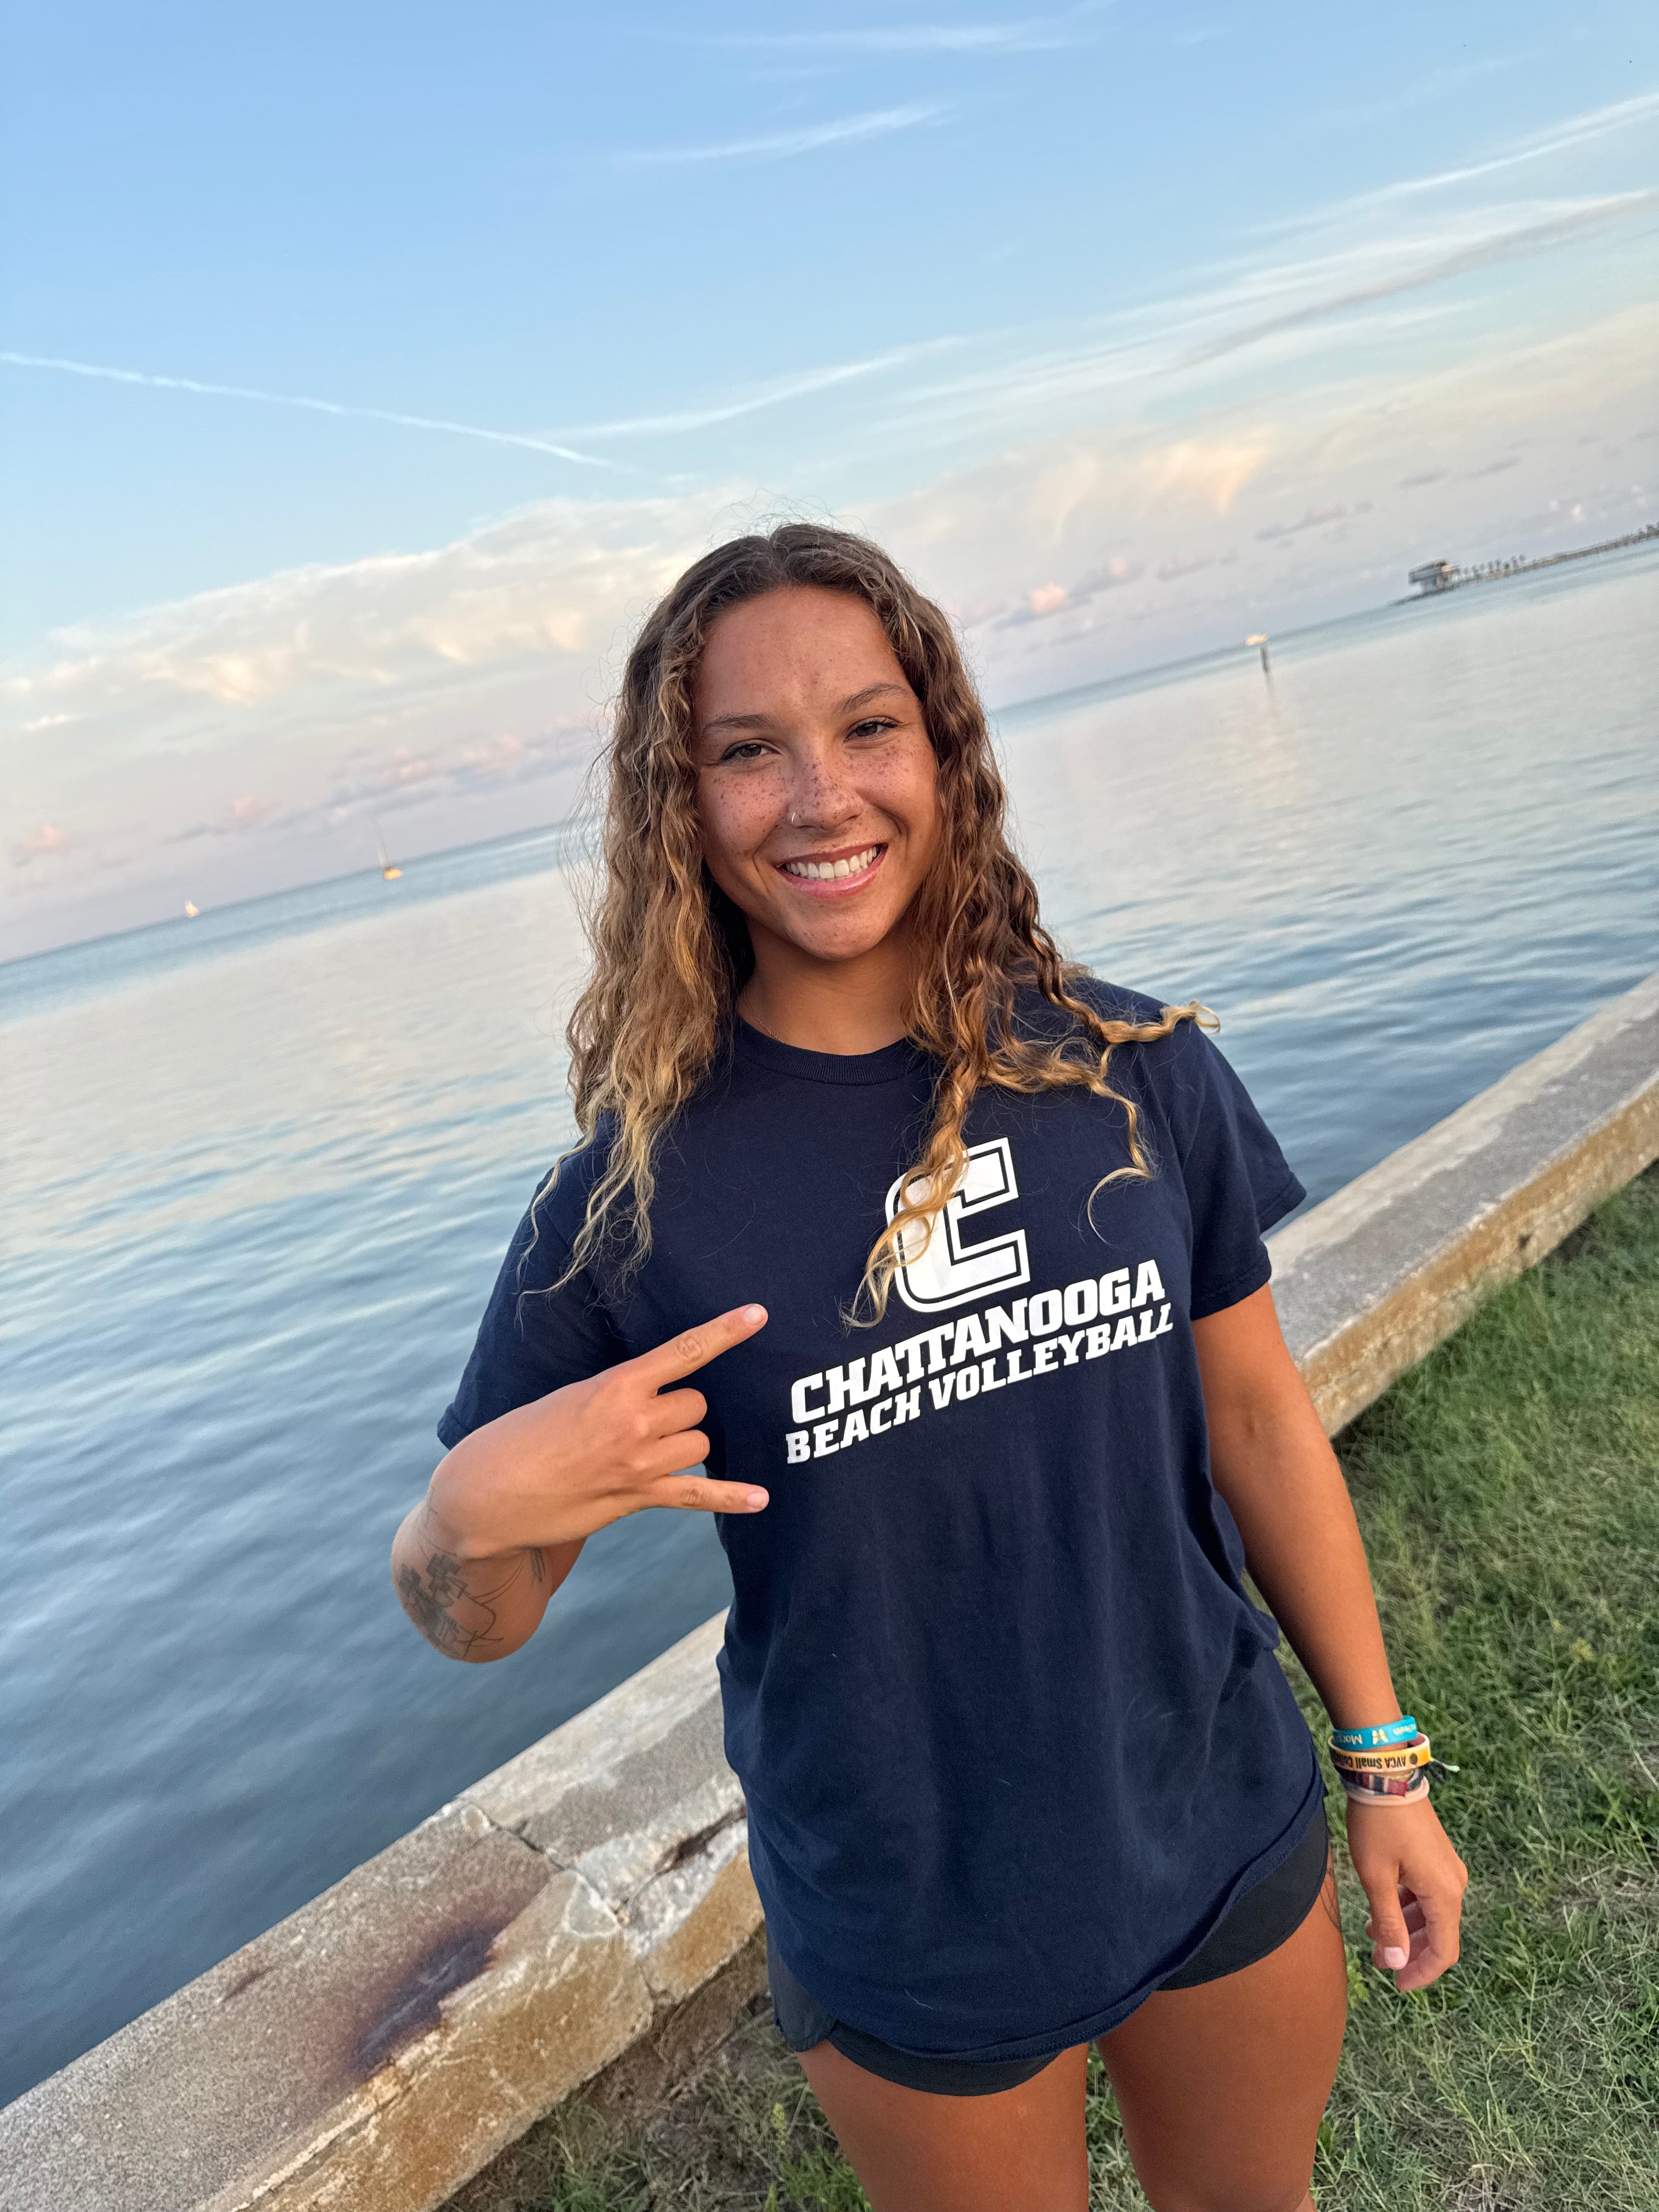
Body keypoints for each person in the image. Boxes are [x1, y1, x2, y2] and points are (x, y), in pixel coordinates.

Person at [391, 523, 1468, 2212]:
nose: (821, 798)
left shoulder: (1128, 1070)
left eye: (868, 727)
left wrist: (1384, 1764)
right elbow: (482, 1619)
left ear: (945, 747)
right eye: (750, 751)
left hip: (1215, 1812)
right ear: (682, 805)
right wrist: (461, 1517)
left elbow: (1261, 1426)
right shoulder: (628, 1202)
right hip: (909, 1909)